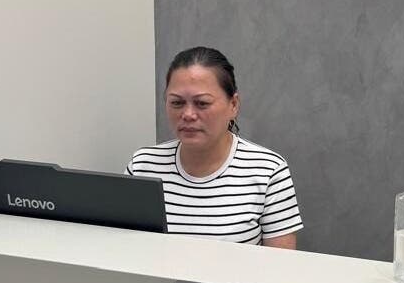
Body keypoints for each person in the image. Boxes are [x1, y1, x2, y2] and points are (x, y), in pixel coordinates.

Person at [126, 47, 302, 248]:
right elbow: (126, 249)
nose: (188, 114)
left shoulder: (269, 171)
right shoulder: (143, 165)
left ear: (233, 105)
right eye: (177, 103)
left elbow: (279, 269)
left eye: (202, 103)